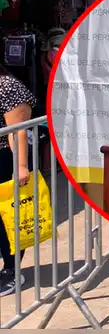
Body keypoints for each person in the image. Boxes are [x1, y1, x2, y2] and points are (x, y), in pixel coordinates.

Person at [0, 67, 35, 295]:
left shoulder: (6, 86)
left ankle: (12, 270)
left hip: (4, 159)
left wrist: (20, 166)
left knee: (7, 220)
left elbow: (18, 131)